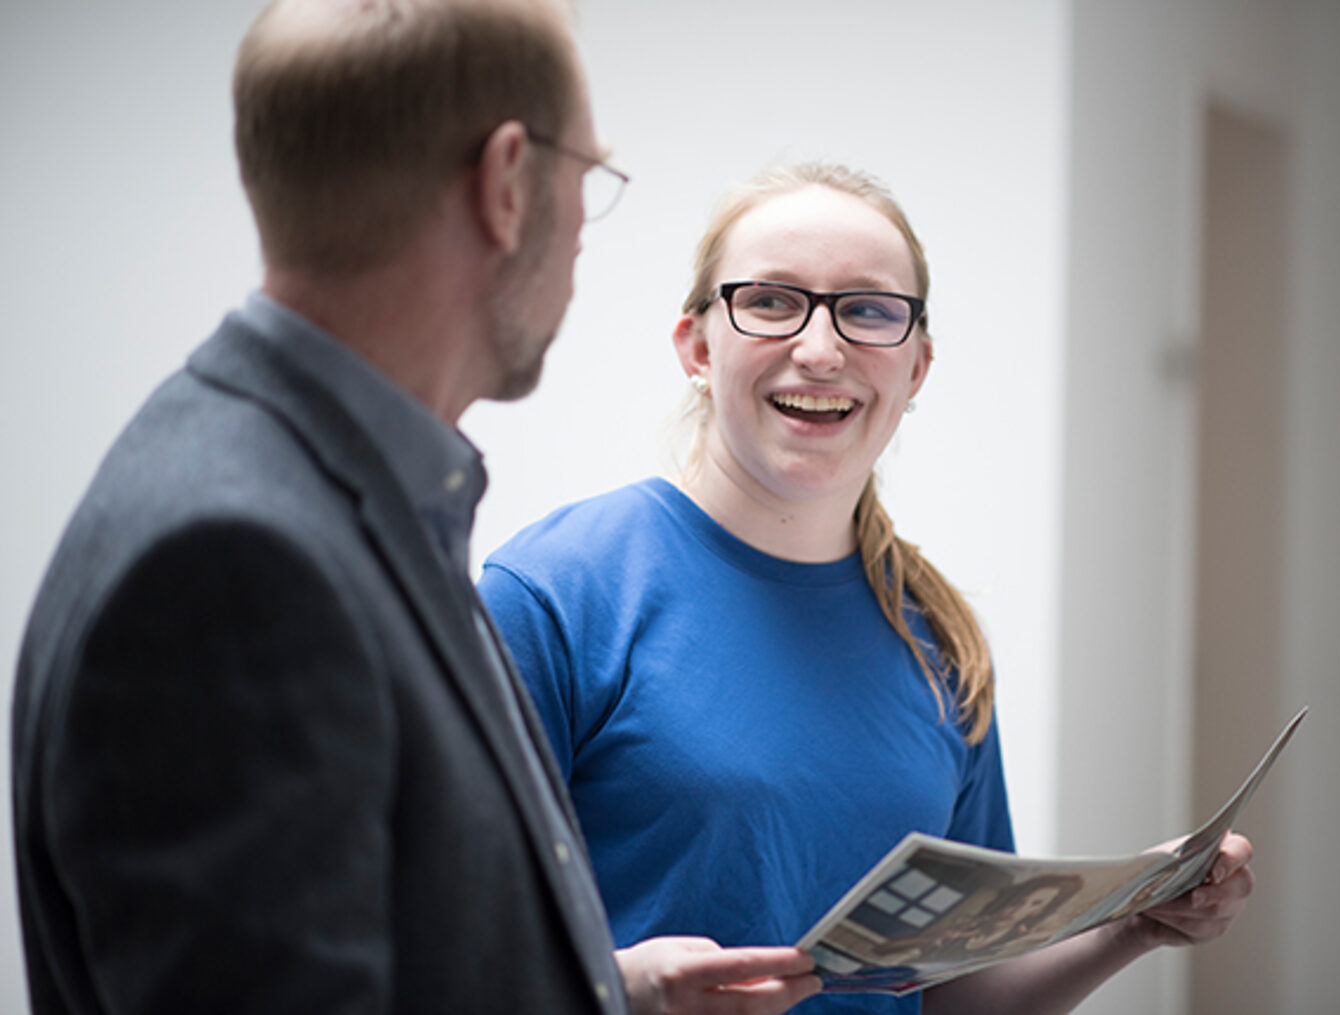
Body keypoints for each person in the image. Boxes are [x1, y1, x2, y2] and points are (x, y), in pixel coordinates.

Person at [9, 2, 816, 1013]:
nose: (580, 239)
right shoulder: (236, 565)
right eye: (587, 181)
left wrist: (606, 996)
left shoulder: (327, 489)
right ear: (507, 183)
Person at [477, 162, 1255, 1014]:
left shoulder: (939, 639)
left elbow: (947, 996)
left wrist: (1132, 922)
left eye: (869, 310)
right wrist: (613, 990)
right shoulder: (557, 593)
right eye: (771, 301)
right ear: (698, 347)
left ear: (916, 367)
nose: (820, 348)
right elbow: (435, 940)